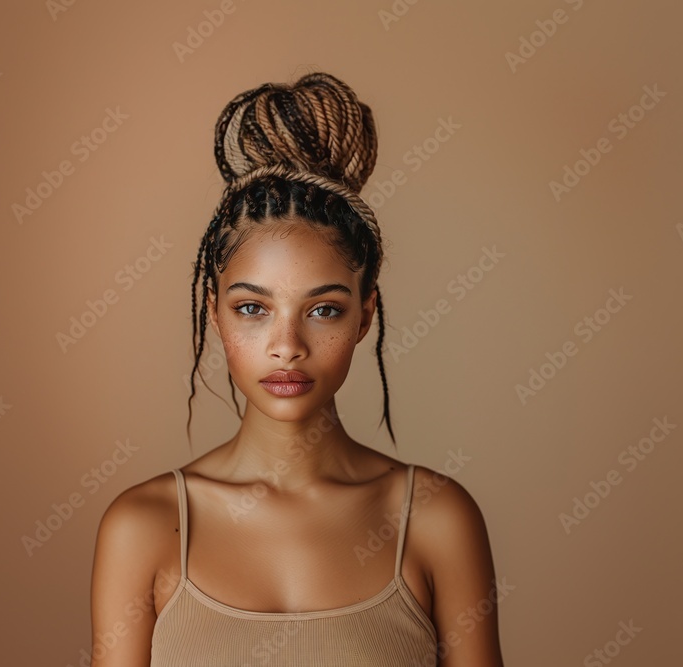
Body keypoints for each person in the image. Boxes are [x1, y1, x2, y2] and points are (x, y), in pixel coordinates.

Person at [89, 70, 503, 666]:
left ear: (365, 315)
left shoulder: (435, 518)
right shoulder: (142, 527)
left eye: (324, 309)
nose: (287, 345)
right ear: (216, 313)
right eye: (253, 308)